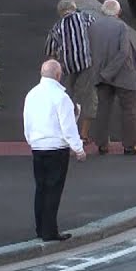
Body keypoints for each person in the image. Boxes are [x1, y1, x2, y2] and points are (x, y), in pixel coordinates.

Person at [23, 60, 86, 242]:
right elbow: (68, 127)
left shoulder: (31, 94)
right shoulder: (61, 97)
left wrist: (32, 140)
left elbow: (27, 121)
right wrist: (78, 149)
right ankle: (50, 231)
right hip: (57, 149)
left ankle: (40, 228)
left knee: (41, 188)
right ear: (58, 75)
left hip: (38, 147)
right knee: (53, 190)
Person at [87, 0, 136, 155]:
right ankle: (130, 145)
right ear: (118, 12)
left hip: (101, 74)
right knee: (130, 109)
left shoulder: (93, 26)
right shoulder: (121, 26)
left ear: (103, 11)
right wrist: (110, 72)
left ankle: (102, 144)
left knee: (103, 109)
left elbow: (91, 49)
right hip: (123, 74)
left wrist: (102, 72)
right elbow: (123, 52)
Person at [44, 0, 96, 144]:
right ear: (74, 8)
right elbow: (97, 34)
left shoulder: (56, 27)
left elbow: (50, 52)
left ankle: (67, 132)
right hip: (87, 64)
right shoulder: (86, 18)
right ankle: (84, 135)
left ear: (60, 12)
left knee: (67, 98)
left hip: (67, 67)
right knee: (89, 97)